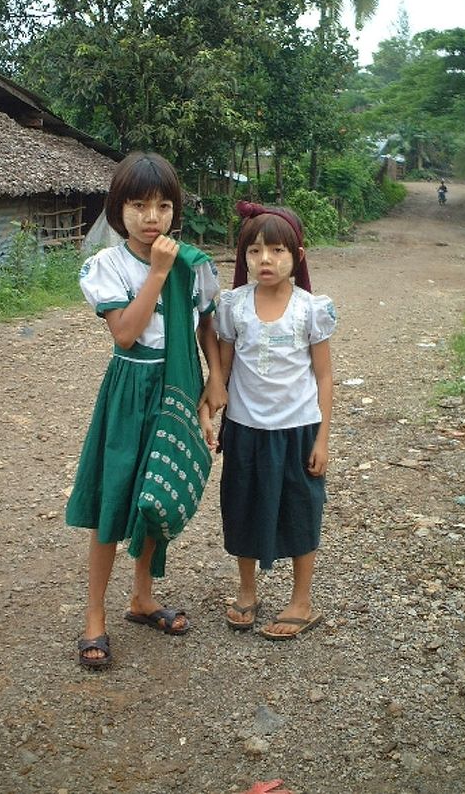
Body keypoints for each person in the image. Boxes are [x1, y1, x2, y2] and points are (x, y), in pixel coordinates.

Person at [66, 151, 226, 668]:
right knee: (113, 498)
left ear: (176, 209)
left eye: (162, 205)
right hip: (131, 389)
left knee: (155, 494)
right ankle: (94, 615)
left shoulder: (194, 265)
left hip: (177, 386)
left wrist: (215, 380)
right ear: (119, 209)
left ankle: (142, 598)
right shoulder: (107, 266)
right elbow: (126, 334)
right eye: (138, 205)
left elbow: (207, 325)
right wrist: (157, 272)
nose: (151, 217)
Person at [199, 201, 336, 640]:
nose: (265, 260)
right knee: (242, 505)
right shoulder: (234, 306)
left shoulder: (310, 309)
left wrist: (322, 439)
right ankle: (246, 591)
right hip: (245, 428)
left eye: (277, 250)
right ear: (243, 257)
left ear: (298, 256)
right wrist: (211, 399)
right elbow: (222, 366)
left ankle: (302, 601)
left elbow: (324, 376)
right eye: (255, 251)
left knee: (300, 508)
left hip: (298, 429)